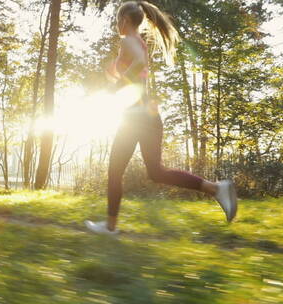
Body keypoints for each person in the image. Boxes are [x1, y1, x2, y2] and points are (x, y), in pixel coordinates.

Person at [85, 1, 237, 235]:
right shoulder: (138, 43)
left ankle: (110, 226)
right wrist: (115, 75)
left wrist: (117, 84)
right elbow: (135, 72)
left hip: (135, 117)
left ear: (125, 20)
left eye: (117, 19)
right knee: (156, 172)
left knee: (115, 171)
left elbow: (138, 66)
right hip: (147, 114)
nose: (117, 24)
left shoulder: (128, 41)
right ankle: (216, 189)